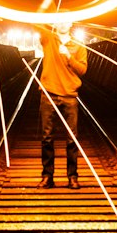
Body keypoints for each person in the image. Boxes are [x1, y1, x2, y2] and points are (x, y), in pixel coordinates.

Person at [37, 24, 87, 188]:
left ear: (71, 23)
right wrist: (47, 0)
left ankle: (72, 177)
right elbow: (34, 20)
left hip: (69, 96)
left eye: (66, 20)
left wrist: (68, 57)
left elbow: (82, 70)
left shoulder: (78, 45)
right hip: (48, 94)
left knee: (72, 139)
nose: (63, 23)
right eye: (59, 20)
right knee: (47, 138)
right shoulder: (48, 38)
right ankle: (47, 176)